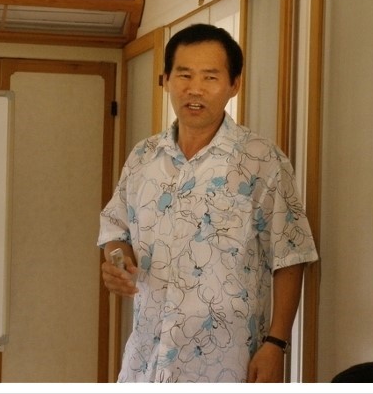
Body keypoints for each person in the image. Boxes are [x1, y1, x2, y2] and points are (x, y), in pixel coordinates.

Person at [98, 23, 319, 383]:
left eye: (210, 77)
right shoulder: (143, 156)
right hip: (146, 359)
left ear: (234, 85)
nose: (195, 89)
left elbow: (291, 256)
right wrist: (117, 262)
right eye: (184, 75)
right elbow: (115, 230)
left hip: (227, 362)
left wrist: (276, 343)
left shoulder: (261, 160)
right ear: (166, 80)